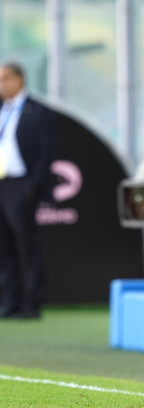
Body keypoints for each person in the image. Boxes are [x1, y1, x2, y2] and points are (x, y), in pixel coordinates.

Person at [0, 62, 56, 319]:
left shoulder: (39, 111)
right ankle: (9, 303)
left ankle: (32, 304)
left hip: (20, 185)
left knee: (27, 246)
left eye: (5, 79)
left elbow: (47, 152)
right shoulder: (1, 110)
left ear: (20, 80)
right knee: (4, 248)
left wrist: (32, 186)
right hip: (1, 184)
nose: (1, 85)